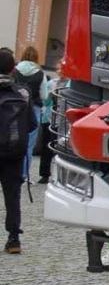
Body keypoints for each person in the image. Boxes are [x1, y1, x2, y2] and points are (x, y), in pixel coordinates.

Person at [0, 49, 34, 254]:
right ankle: (14, 239)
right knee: (12, 196)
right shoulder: (23, 92)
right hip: (14, 152)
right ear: (13, 68)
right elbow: (32, 124)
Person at [13, 47, 43, 184]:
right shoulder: (40, 73)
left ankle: (11, 172)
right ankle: (24, 175)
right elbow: (44, 94)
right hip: (34, 108)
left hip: (15, 108)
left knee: (13, 141)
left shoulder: (15, 70)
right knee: (29, 145)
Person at [34, 70, 54, 184]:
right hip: (49, 118)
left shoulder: (71, 84)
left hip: (63, 120)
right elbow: (45, 101)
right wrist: (50, 96)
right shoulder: (52, 83)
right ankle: (45, 174)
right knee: (46, 147)